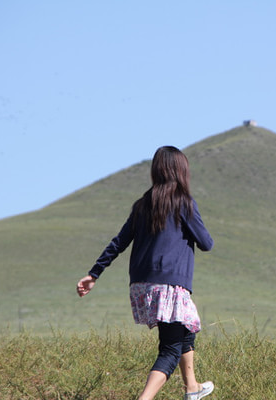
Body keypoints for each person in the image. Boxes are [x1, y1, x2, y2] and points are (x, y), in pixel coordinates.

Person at [76, 146, 215, 400]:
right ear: (181, 171)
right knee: (169, 350)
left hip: (142, 285)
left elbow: (119, 241)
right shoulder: (183, 202)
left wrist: (94, 274)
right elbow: (207, 243)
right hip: (169, 284)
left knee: (186, 327)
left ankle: (192, 388)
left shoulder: (142, 204)